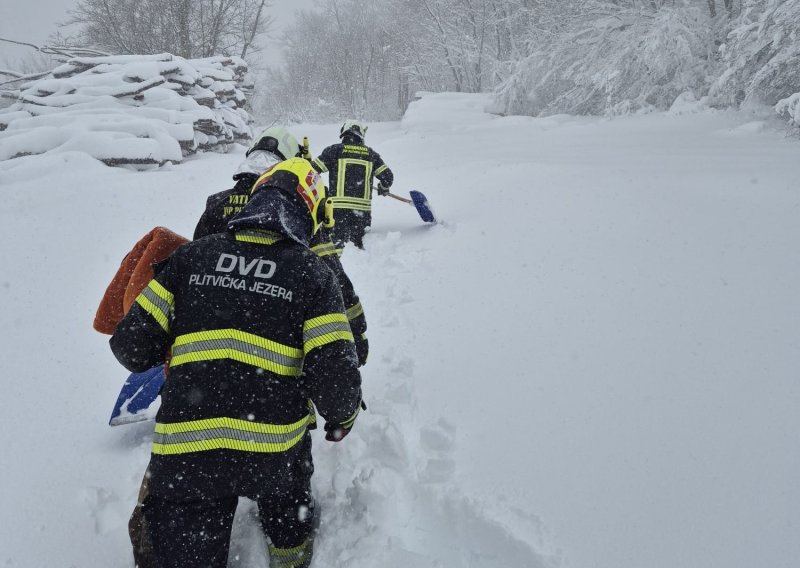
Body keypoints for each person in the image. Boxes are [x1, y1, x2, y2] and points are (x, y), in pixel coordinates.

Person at [110, 158, 364, 568]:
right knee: (289, 504)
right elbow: (335, 382)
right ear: (309, 212)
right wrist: (343, 418)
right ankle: (289, 555)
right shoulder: (314, 276)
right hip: (272, 455)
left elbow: (132, 349)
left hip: (187, 455)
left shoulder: (190, 259)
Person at [311, 119, 394, 249]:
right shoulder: (371, 155)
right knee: (358, 248)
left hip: (337, 211)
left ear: (344, 133)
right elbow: (388, 177)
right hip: (361, 213)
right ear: (360, 134)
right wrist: (383, 187)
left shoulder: (334, 151)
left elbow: (312, 171)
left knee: (336, 248)